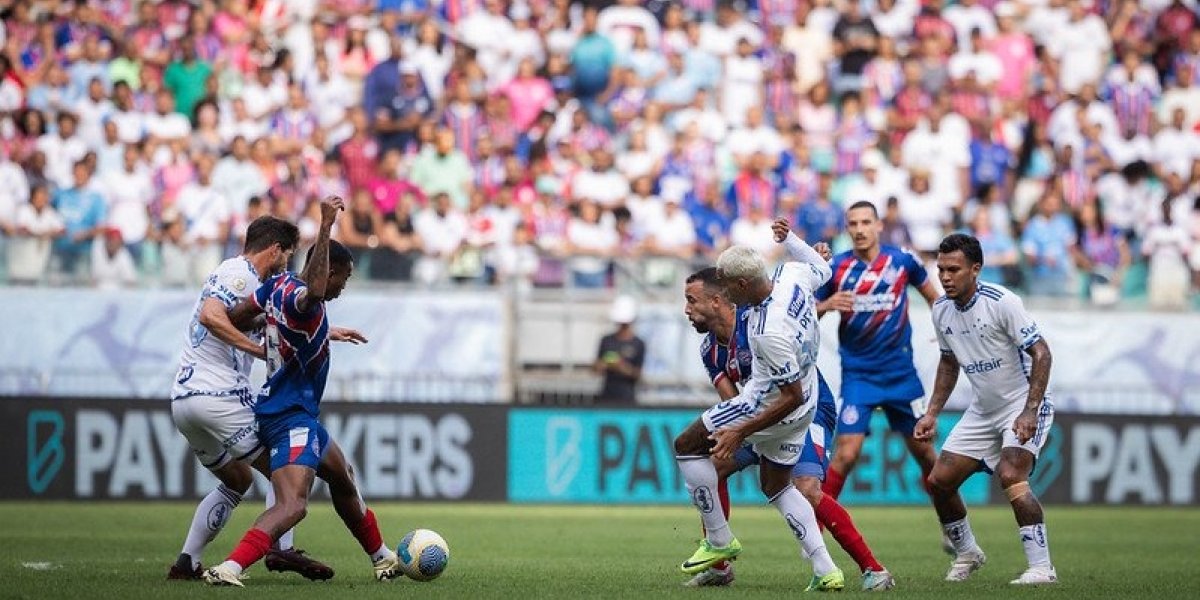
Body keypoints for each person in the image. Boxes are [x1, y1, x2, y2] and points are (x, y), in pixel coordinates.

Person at [681, 227, 894, 592]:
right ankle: (720, 565)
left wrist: (740, 430)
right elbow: (732, 398)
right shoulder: (714, 348)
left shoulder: (761, 328)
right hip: (765, 410)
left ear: (723, 298)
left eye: (692, 301)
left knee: (806, 486)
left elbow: (787, 382)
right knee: (718, 468)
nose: (687, 310)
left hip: (803, 403)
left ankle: (873, 569)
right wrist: (801, 246)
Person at [205, 196, 399, 586]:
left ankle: (382, 558)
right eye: (343, 277)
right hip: (290, 416)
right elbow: (311, 292)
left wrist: (298, 336)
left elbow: (241, 316)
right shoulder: (307, 302)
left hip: (290, 409)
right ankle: (230, 566)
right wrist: (326, 225)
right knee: (293, 505)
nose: (344, 285)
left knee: (342, 474)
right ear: (329, 272)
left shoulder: (276, 287)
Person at [168, 215, 336, 581]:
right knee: (286, 471)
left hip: (185, 401)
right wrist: (255, 351)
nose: (287, 264)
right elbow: (212, 315)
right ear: (275, 250)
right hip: (218, 395)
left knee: (237, 481)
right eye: (287, 255)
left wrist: (328, 331)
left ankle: (187, 562)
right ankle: (282, 550)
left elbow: (271, 321)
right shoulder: (239, 273)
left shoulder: (249, 283)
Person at [917, 233, 1057, 585]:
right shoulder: (940, 310)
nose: (945, 277)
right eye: (941, 270)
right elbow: (948, 363)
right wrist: (932, 412)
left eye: (954, 269)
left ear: (975, 269)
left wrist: (1029, 410)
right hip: (984, 409)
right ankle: (967, 553)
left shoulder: (1002, 302)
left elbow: (1041, 353)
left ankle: (1042, 568)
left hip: (1021, 403)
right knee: (939, 481)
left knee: (1011, 475)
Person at [815, 201, 944, 547]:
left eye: (865, 222)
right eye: (852, 223)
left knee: (927, 456)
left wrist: (947, 330)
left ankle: (951, 523)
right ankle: (816, 531)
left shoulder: (901, 260)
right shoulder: (837, 267)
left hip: (901, 373)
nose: (859, 229)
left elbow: (936, 298)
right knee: (846, 453)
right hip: (859, 374)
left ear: (878, 225)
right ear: (847, 228)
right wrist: (826, 305)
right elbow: (806, 311)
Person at [594, 295, 645, 404]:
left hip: (627, 398)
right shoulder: (606, 340)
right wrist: (603, 365)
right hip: (606, 397)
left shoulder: (638, 343)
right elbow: (595, 369)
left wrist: (622, 367)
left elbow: (638, 374)